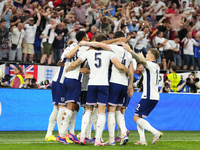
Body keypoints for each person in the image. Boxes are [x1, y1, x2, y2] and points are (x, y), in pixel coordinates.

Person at [65, 34, 130, 146]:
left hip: (91, 84)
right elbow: (119, 66)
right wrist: (127, 70)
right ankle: (98, 140)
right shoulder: (110, 54)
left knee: (88, 110)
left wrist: (68, 68)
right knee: (101, 113)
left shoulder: (88, 53)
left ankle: (82, 137)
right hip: (103, 85)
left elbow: (76, 63)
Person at [122, 44, 163, 145]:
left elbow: (141, 61)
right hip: (153, 96)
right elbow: (143, 61)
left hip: (149, 96)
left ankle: (155, 132)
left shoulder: (152, 65)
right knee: (138, 116)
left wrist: (130, 50)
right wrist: (142, 57)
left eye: (148, 53)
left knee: (136, 118)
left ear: (152, 57)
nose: (147, 54)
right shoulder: (155, 66)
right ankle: (142, 140)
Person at [56, 31, 90, 145]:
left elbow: (60, 62)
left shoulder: (69, 47)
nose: (89, 40)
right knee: (70, 107)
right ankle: (61, 135)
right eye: (87, 38)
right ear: (84, 38)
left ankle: (71, 132)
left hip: (66, 79)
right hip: (74, 80)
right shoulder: (84, 48)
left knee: (75, 107)